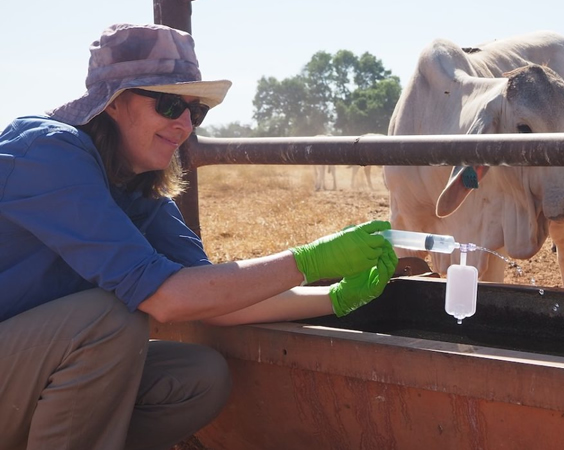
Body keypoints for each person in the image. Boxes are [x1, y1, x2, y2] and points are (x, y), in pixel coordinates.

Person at [0, 23, 397, 450]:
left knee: (197, 378)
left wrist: (335, 296)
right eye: (170, 105)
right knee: (109, 318)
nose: (186, 125)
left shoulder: (139, 188)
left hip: (24, 370)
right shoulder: (48, 153)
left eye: (196, 112)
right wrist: (308, 260)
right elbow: (166, 298)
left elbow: (211, 299)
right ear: (113, 102)